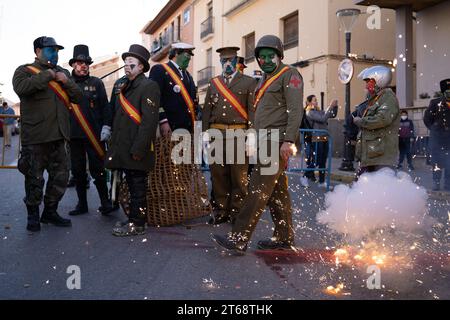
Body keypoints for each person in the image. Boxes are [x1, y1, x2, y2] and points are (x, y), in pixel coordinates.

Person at [212, 35, 303, 255]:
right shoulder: (263, 79)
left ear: (279, 55)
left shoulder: (289, 75)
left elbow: (295, 110)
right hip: (265, 140)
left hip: (277, 141)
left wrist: (288, 141)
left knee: (257, 190)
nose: (266, 60)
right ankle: (284, 237)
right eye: (261, 57)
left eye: (271, 56)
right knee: (277, 193)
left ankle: (239, 237)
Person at [12, 36, 83, 232]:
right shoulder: (24, 71)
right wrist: (48, 75)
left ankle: (50, 212)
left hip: (60, 136)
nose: (55, 53)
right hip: (36, 137)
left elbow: (77, 97)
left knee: (60, 177)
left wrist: (65, 81)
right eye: (51, 49)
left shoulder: (63, 73)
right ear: (38, 51)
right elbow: (21, 88)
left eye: (57, 50)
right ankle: (33, 215)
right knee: (34, 179)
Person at [105, 44, 160, 236]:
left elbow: (149, 121)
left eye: (131, 63)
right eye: (126, 63)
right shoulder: (123, 86)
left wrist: (139, 148)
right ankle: (133, 218)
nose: (127, 66)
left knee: (138, 187)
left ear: (142, 67)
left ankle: (138, 223)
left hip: (137, 148)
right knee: (129, 186)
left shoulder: (149, 86)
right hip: (123, 147)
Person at [202, 46, 257, 225]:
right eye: (224, 61)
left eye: (231, 61)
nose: (227, 64)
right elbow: (207, 110)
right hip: (216, 133)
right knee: (218, 175)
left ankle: (237, 212)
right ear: (220, 63)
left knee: (238, 177)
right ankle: (221, 210)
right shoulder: (214, 83)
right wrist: (204, 134)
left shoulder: (249, 82)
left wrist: (252, 135)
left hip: (238, 134)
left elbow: (252, 111)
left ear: (237, 62)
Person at [67, 44, 115, 216]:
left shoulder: (97, 83)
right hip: (74, 136)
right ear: (73, 65)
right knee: (78, 172)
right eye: (80, 62)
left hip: (95, 135)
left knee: (99, 170)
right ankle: (82, 205)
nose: (83, 65)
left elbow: (105, 108)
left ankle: (105, 202)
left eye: (86, 62)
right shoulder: (66, 84)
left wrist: (107, 126)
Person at [353, 66, 400, 177]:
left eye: (369, 81)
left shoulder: (388, 97)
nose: (366, 85)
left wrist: (361, 121)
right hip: (372, 155)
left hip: (381, 157)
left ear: (379, 80)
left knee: (378, 190)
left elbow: (382, 119)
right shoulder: (376, 98)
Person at [149, 42, 197, 135]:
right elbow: (153, 98)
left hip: (188, 128)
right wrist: (163, 120)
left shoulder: (188, 76)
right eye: (187, 54)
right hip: (170, 127)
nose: (189, 58)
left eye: (190, 55)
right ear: (176, 54)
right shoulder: (160, 70)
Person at [300, 95, 338, 188]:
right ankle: (305, 176)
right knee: (316, 160)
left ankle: (321, 182)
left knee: (323, 161)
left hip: (324, 138)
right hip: (316, 138)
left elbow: (331, 114)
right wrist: (330, 106)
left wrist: (335, 107)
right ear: (309, 102)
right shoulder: (309, 112)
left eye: (316, 100)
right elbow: (323, 118)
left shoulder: (318, 111)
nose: (316, 102)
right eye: (314, 100)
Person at [424, 78, 450, 191]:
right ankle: (436, 182)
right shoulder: (435, 103)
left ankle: (448, 184)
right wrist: (434, 129)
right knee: (437, 162)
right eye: (448, 92)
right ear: (443, 92)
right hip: (438, 139)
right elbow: (427, 119)